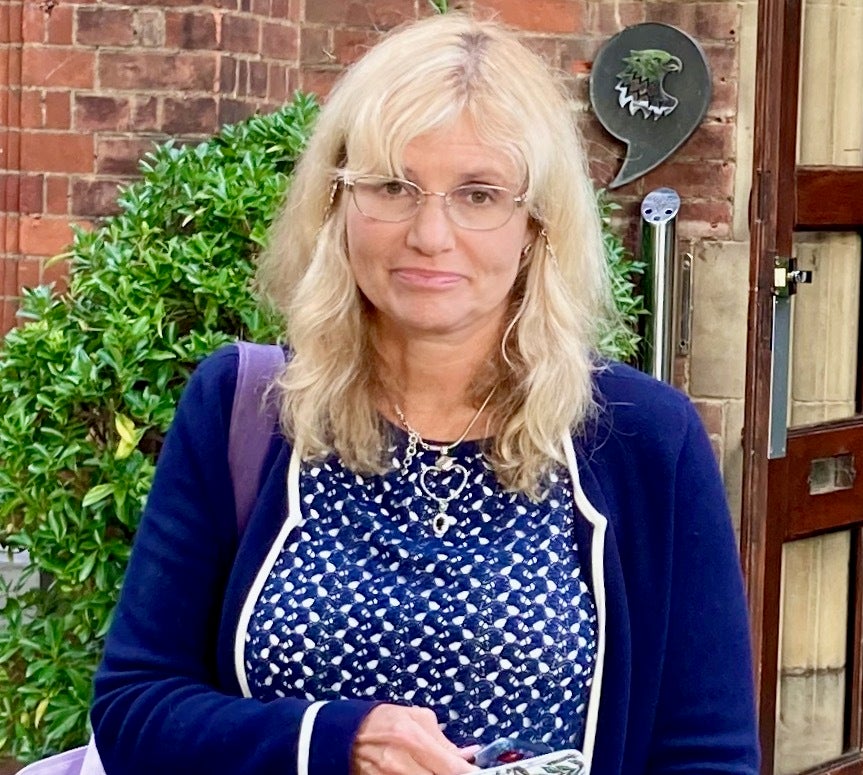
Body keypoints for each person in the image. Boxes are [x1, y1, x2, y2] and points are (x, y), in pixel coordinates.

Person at [90, 13, 760, 775]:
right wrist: (336, 741)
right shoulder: (248, 408)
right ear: (337, 202)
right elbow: (134, 707)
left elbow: (706, 756)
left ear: (536, 222)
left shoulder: (642, 438)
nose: (429, 234)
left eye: (477, 194)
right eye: (391, 187)